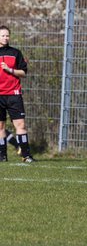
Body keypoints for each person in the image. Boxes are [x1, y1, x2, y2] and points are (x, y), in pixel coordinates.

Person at [0, 25, 35, 163]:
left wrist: (10, 70)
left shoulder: (15, 53)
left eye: (7, 35)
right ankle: (2, 156)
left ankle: (26, 155)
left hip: (13, 95)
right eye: (2, 35)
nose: (5, 37)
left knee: (20, 125)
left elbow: (24, 73)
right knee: (1, 127)